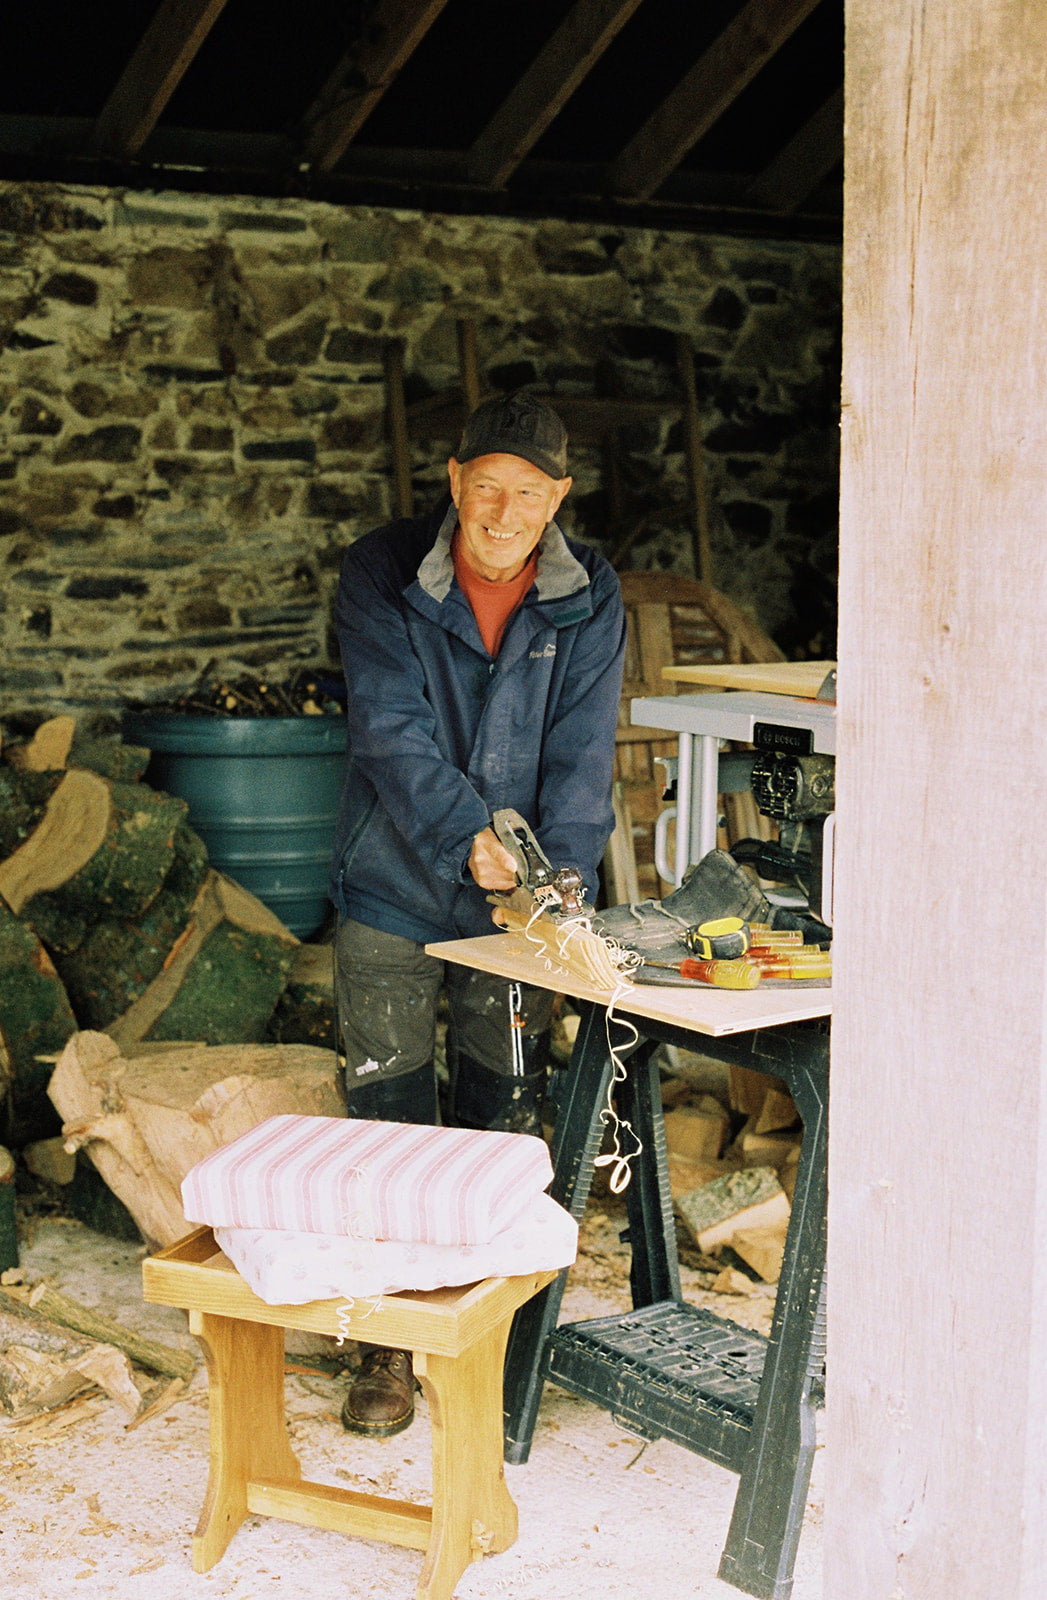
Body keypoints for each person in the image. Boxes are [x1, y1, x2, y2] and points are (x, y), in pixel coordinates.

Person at [330, 390, 626, 1436]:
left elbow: (584, 754)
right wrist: (469, 835)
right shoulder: (381, 571)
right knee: (388, 1109)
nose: (505, 514)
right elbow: (389, 727)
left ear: (559, 497)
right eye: (488, 487)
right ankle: (386, 1340)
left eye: (529, 494)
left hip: (516, 900)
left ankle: (485, 1329)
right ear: (455, 481)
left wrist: (558, 881)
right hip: (394, 878)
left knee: (501, 1106)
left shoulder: (588, 593)